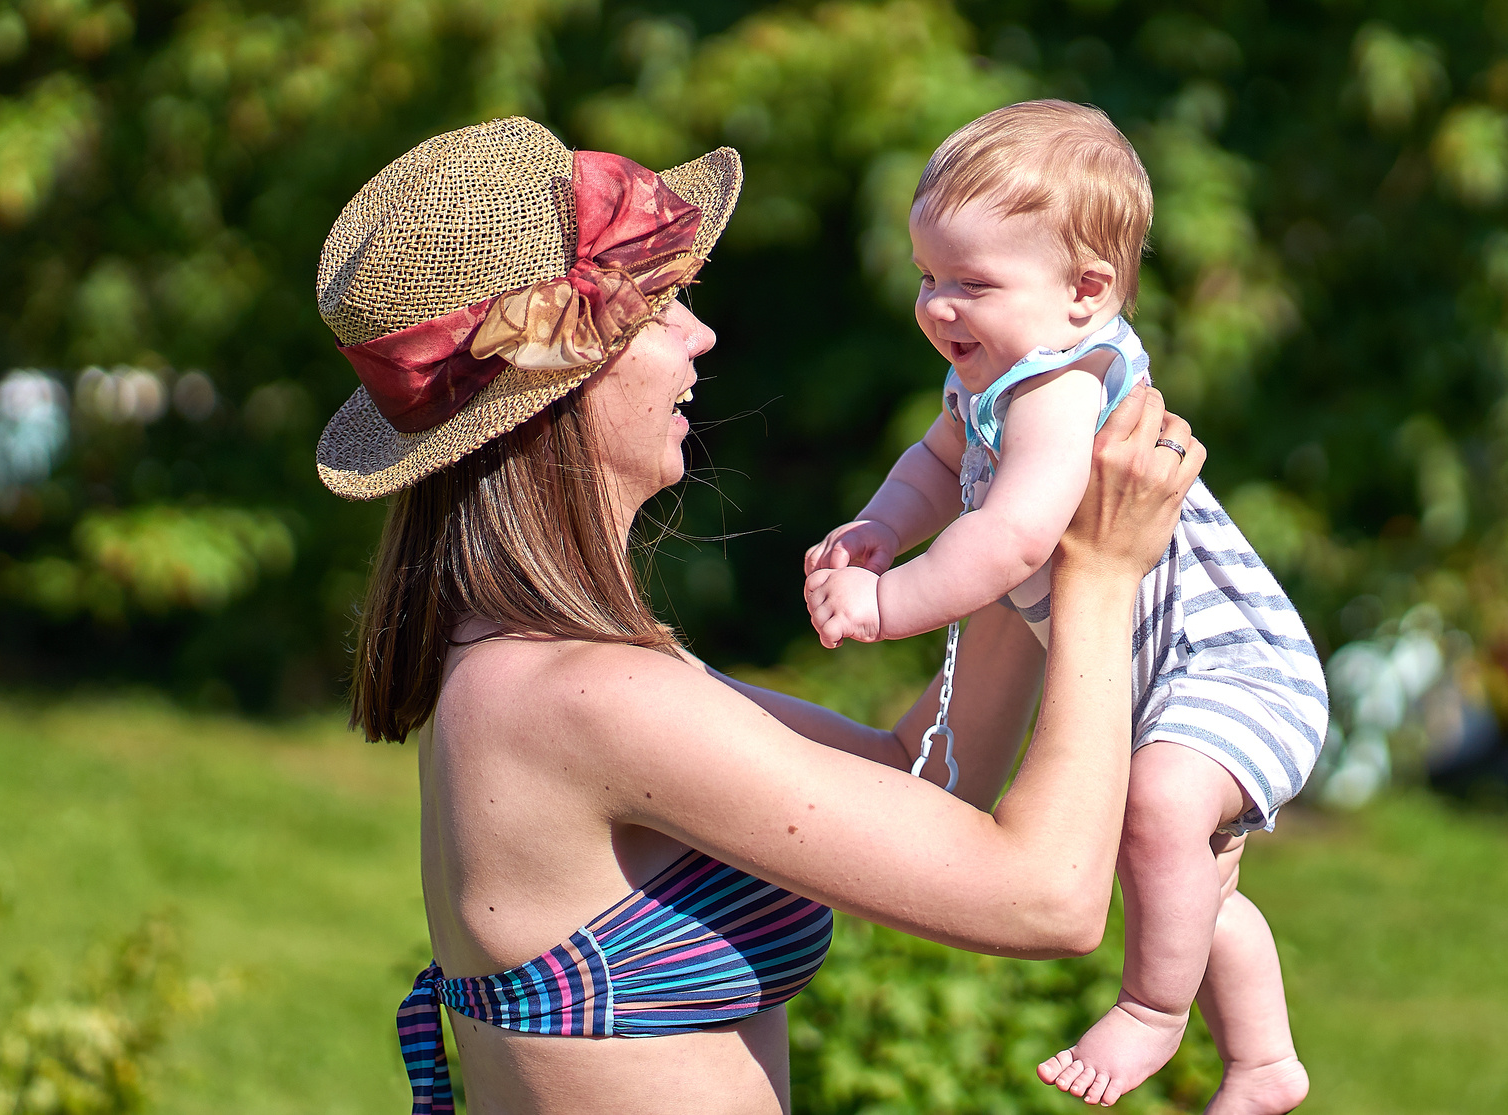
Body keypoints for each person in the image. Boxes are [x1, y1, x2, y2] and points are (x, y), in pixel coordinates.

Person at [312, 116, 1205, 1115]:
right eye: (659, 307)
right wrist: (1100, 575)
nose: (701, 334)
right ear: (554, 389)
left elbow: (924, 781)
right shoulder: (583, 699)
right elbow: (1048, 897)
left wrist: (1019, 525)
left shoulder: (559, 669)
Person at [802, 100, 1327, 1114]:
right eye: (928, 278)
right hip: (1157, 673)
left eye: (972, 283)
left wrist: (884, 603)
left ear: (1088, 291)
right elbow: (936, 462)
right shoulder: (996, 373)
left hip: (1232, 664)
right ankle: (1264, 1063)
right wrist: (880, 527)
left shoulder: (1065, 384)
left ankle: (1152, 1014)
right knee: (1189, 881)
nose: (938, 308)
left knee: (1161, 812)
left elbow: (1012, 539)